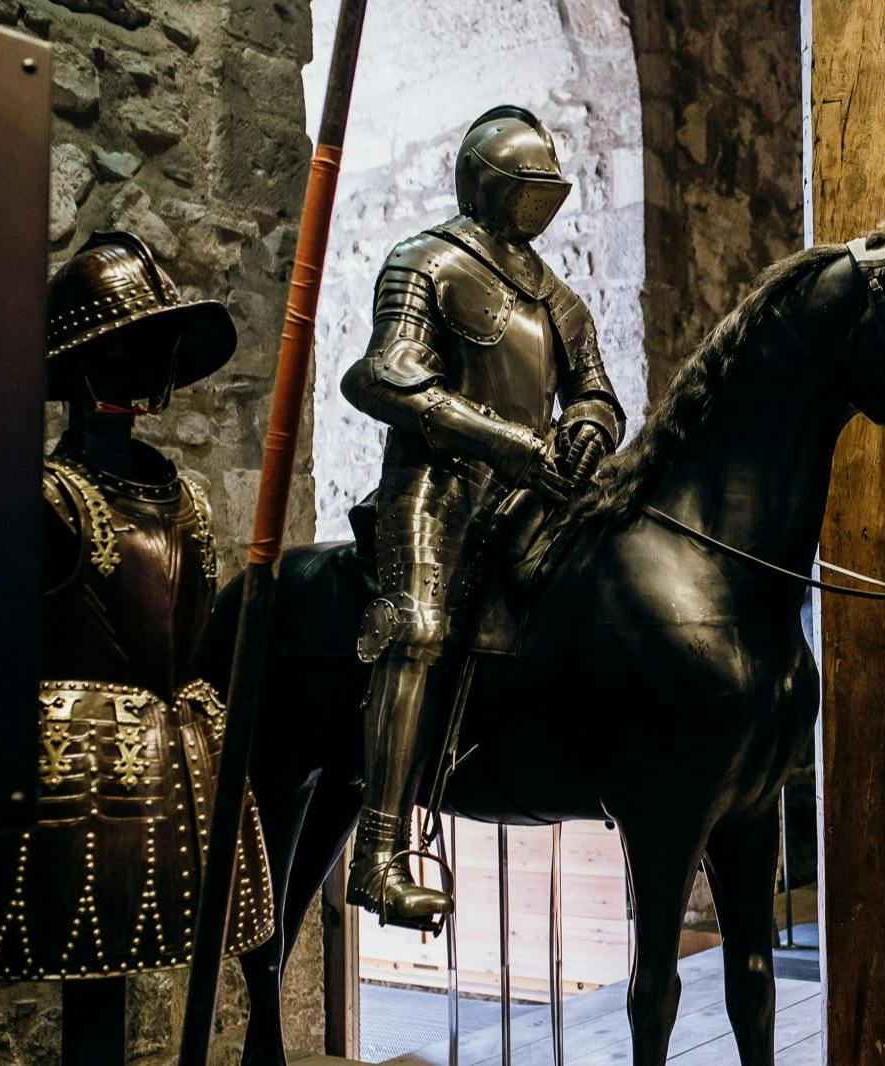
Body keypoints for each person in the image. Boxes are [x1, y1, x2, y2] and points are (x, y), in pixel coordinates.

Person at [0, 231, 274, 982]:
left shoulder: (184, 498)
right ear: (85, 363)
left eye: (158, 344)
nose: (152, 363)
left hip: (186, 763)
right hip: (81, 771)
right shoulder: (50, 498)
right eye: (131, 345)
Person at [340, 106, 624, 928]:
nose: (540, 205)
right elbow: (386, 377)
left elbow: (599, 392)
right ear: (486, 184)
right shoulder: (424, 260)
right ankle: (379, 854)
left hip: (538, 493)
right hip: (436, 485)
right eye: (525, 189)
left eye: (548, 191)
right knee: (418, 625)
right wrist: (512, 443)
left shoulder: (556, 295)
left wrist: (583, 432)